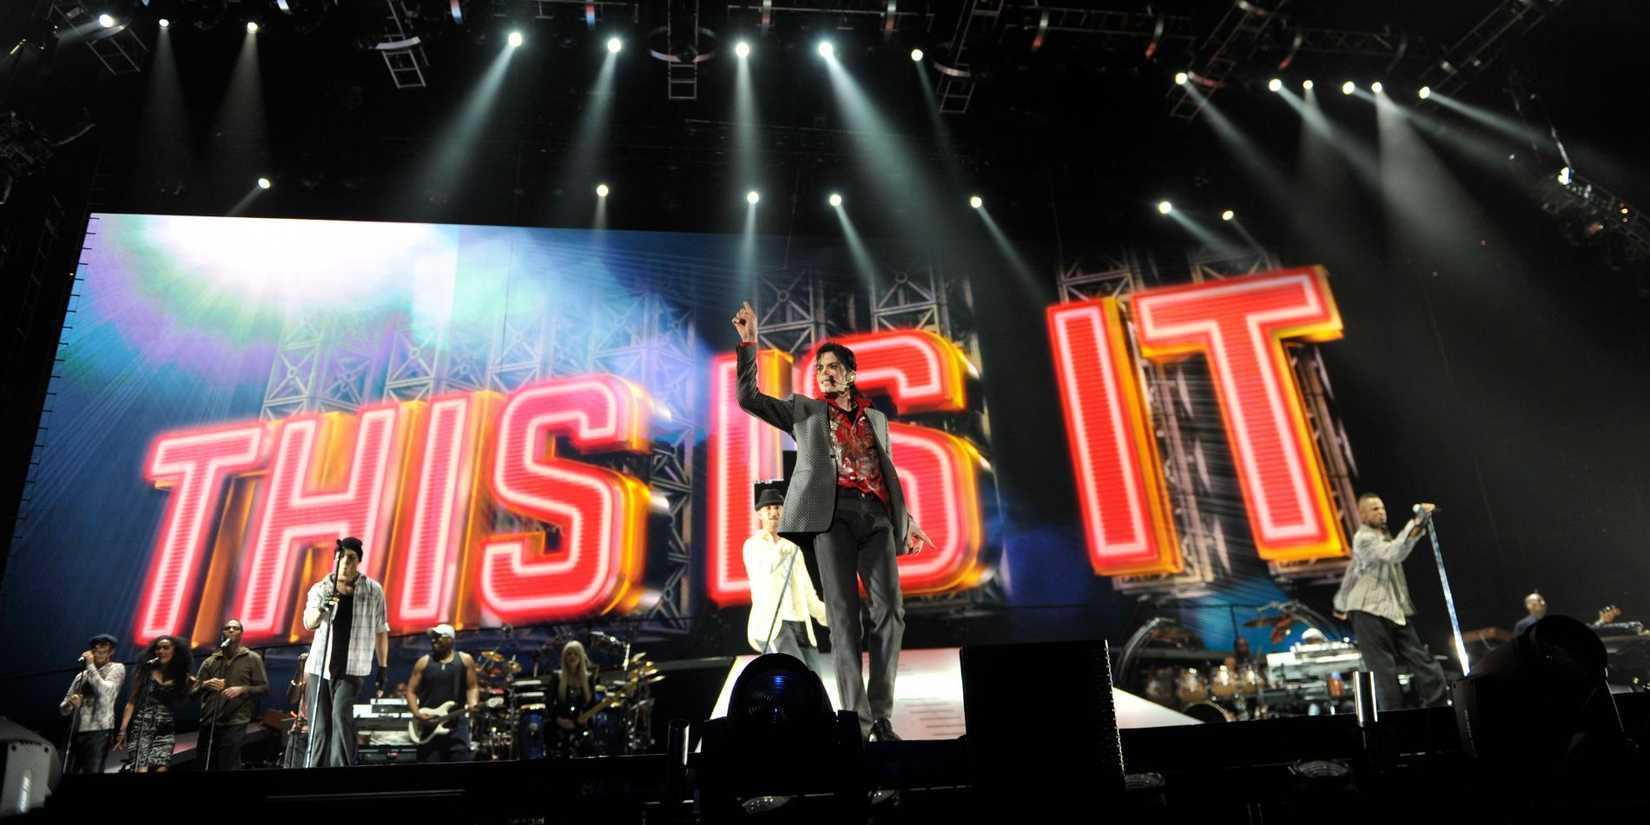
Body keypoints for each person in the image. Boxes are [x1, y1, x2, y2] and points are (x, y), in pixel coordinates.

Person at [731, 302, 933, 742]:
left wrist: (909, 520)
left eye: (832, 367)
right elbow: (749, 398)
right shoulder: (804, 412)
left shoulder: (875, 419)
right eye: (820, 368)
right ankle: (856, 722)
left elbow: (886, 472)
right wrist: (749, 342)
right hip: (831, 518)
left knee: (891, 613)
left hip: (877, 518)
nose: (823, 373)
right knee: (844, 619)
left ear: (851, 374)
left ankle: (881, 715)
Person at [1332, 493, 1448, 711]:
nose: (1381, 512)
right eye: (1374, 509)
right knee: (1383, 671)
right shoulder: (1363, 539)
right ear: (1362, 514)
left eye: (1382, 507)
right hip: (1367, 613)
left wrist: (1339, 603)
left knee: (1422, 661)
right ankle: (1393, 724)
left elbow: (1351, 574)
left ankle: (1439, 709)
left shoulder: (1381, 537)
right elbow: (1394, 553)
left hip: (1393, 610)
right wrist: (1415, 522)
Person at [301, 536, 389, 767]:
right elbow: (309, 623)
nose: (345, 563)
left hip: (352, 667)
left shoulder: (373, 591)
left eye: (350, 559)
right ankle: (313, 771)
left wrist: (383, 667)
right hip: (321, 667)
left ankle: (341, 772)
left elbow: (381, 631)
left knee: (341, 718)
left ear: (359, 561)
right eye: (340, 558)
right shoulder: (321, 589)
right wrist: (324, 607)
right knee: (319, 727)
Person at [744, 480, 831, 679]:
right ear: (759, 514)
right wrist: (789, 541)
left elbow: (808, 591)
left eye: (777, 507)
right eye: (768, 508)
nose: (774, 512)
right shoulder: (753, 545)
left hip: (800, 621)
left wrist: (829, 616)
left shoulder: (793, 549)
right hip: (774, 625)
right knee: (793, 676)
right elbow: (766, 570)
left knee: (814, 677)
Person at [193, 617, 269, 770]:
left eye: (235, 628)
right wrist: (206, 684)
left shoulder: (252, 658)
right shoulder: (210, 662)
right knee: (205, 763)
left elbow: (264, 688)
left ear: (241, 634)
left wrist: (242, 689)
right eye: (228, 628)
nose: (231, 630)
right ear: (222, 633)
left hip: (236, 720)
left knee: (228, 764)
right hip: (210, 721)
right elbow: (192, 691)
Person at [115, 635, 193, 773]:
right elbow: (131, 702)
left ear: (175, 651)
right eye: (158, 648)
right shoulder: (146, 671)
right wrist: (122, 730)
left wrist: (189, 686)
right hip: (142, 727)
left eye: (166, 648)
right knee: (141, 770)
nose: (161, 651)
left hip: (165, 729)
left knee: (162, 769)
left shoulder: (181, 676)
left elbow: (182, 700)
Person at [404, 624, 479, 763]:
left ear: (450, 640)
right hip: (429, 724)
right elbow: (411, 691)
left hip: (457, 725)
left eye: (438, 637)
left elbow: (472, 686)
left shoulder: (465, 660)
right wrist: (417, 713)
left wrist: (472, 702)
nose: (433, 641)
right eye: (433, 638)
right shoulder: (424, 662)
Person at [59, 633, 125, 774]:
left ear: (111, 651)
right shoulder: (81, 675)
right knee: (67, 771)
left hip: (99, 732)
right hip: (76, 731)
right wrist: (70, 704)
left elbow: (104, 692)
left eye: (103, 645)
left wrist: (90, 665)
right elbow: (63, 709)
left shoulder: (116, 668)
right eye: (95, 646)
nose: (97, 649)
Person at [552, 641, 600, 757]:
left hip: (582, 726)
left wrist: (586, 717)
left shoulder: (589, 678)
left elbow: (593, 703)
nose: (572, 656)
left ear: (580, 657)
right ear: (564, 658)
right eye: (569, 654)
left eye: (575, 654)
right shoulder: (556, 677)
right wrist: (559, 720)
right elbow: (549, 703)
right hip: (560, 726)